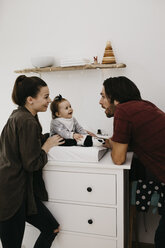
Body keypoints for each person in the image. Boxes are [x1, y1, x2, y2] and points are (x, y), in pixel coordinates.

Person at [99, 76, 165, 248]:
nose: (100, 102)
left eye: (103, 96)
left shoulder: (123, 111)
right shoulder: (145, 105)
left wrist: (112, 143)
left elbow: (118, 159)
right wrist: (115, 142)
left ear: (115, 98)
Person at [0, 75, 65, 248]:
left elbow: (26, 145)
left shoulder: (20, 115)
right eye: (45, 97)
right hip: (11, 195)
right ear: (30, 100)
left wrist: (47, 139)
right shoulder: (26, 120)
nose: (49, 100)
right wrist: (46, 147)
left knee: (52, 228)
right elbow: (31, 163)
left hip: (21, 192)